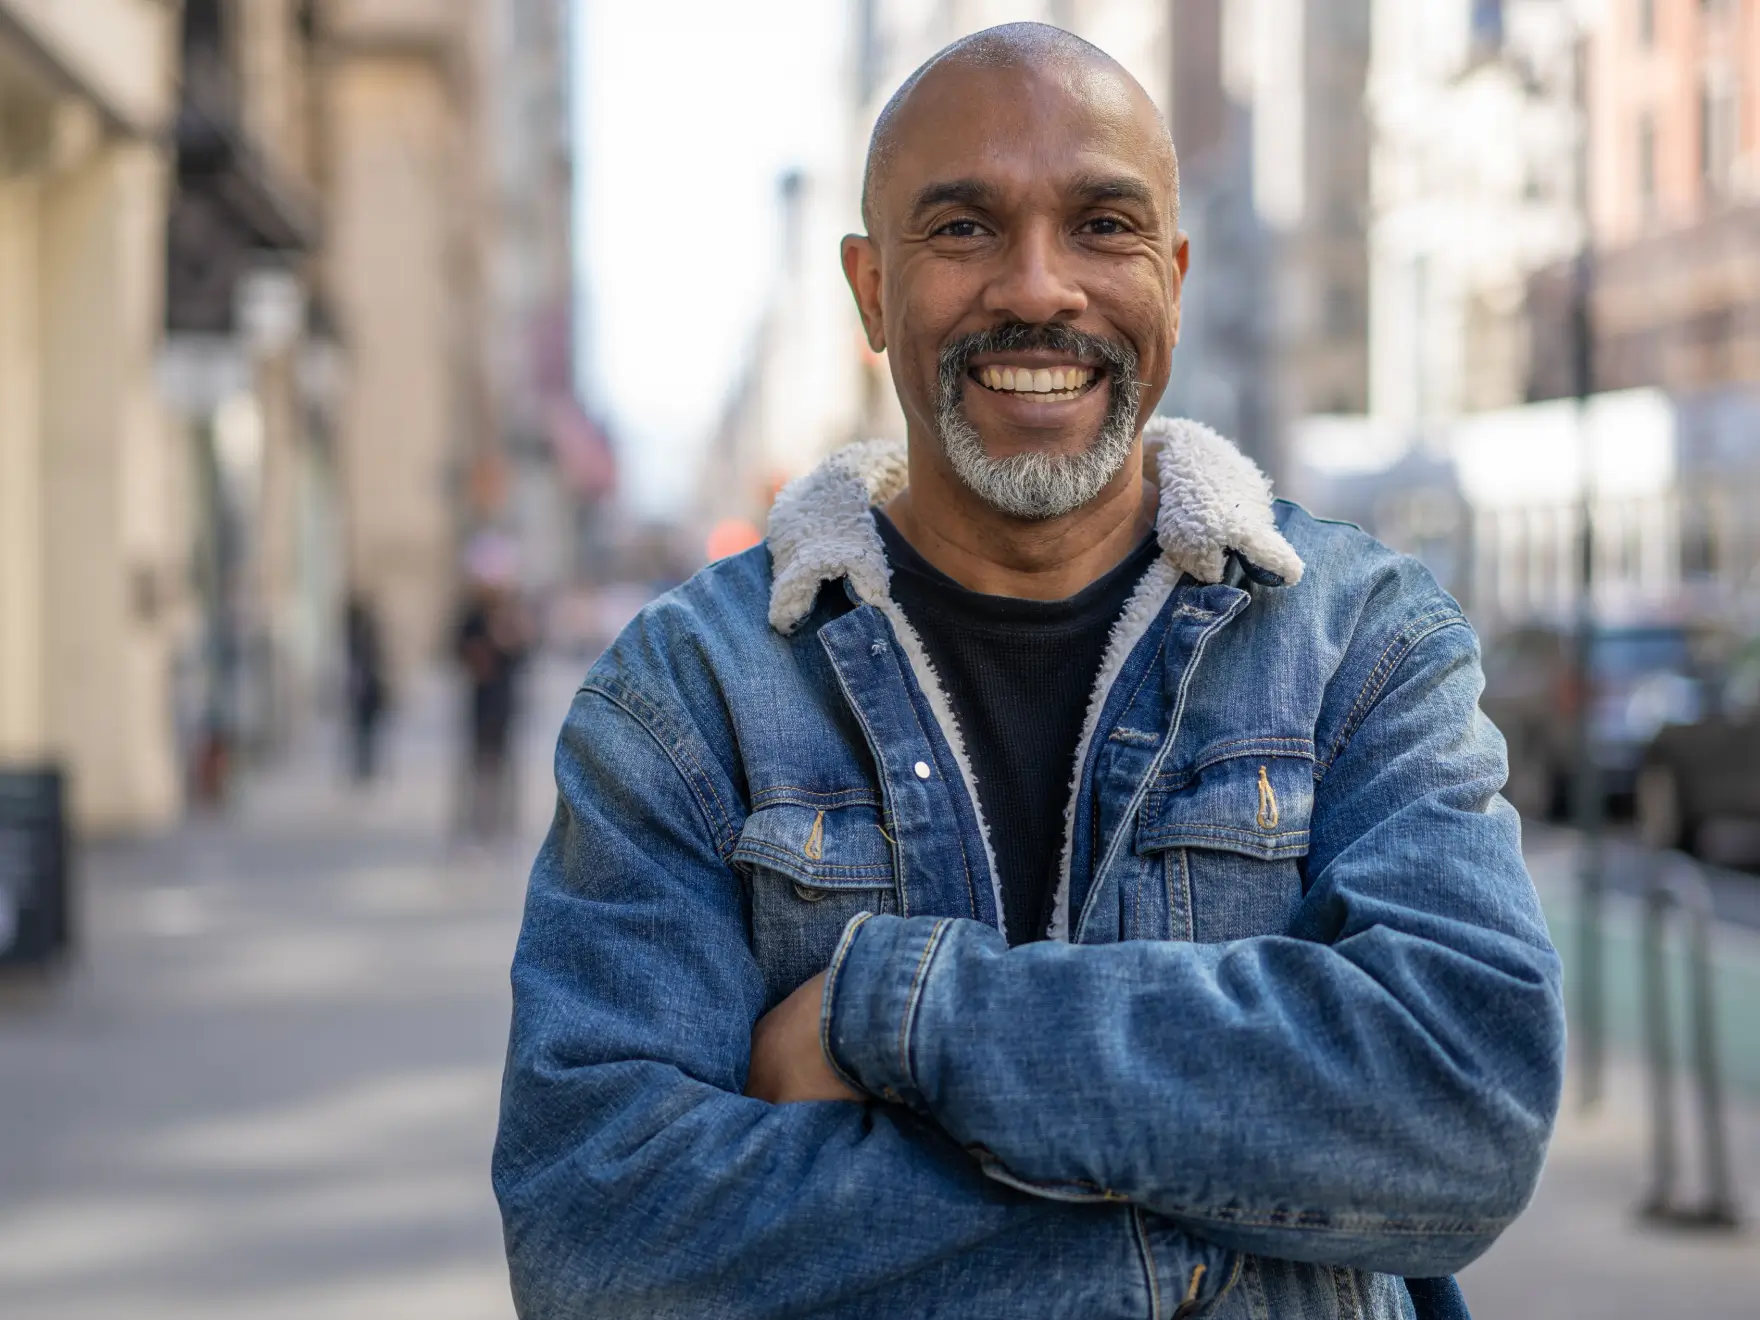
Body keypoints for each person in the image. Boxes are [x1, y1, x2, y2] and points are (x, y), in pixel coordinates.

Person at [494, 23, 1565, 1320]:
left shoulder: (1360, 640)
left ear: (1172, 275)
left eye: (1103, 225)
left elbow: (1467, 1108)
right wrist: (1218, 1272)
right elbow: (599, 1232)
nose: (1039, 287)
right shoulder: (689, 696)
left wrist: (893, 1010)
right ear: (872, 290)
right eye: (963, 228)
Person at [455, 582, 531, 838]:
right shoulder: (473, 619)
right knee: (479, 763)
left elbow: (523, 654)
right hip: (481, 702)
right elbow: (459, 651)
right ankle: (476, 822)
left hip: (504, 702)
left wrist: (510, 638)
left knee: (504, 764)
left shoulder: (512, 617)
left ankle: (504, 823)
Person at [342, 592, 387, 783]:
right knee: (364, 732)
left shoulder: (361, 639)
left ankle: (365, 766)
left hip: (366, 690)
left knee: (365, 731)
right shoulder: (359, 639)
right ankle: (364, 766)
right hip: (365, 691)